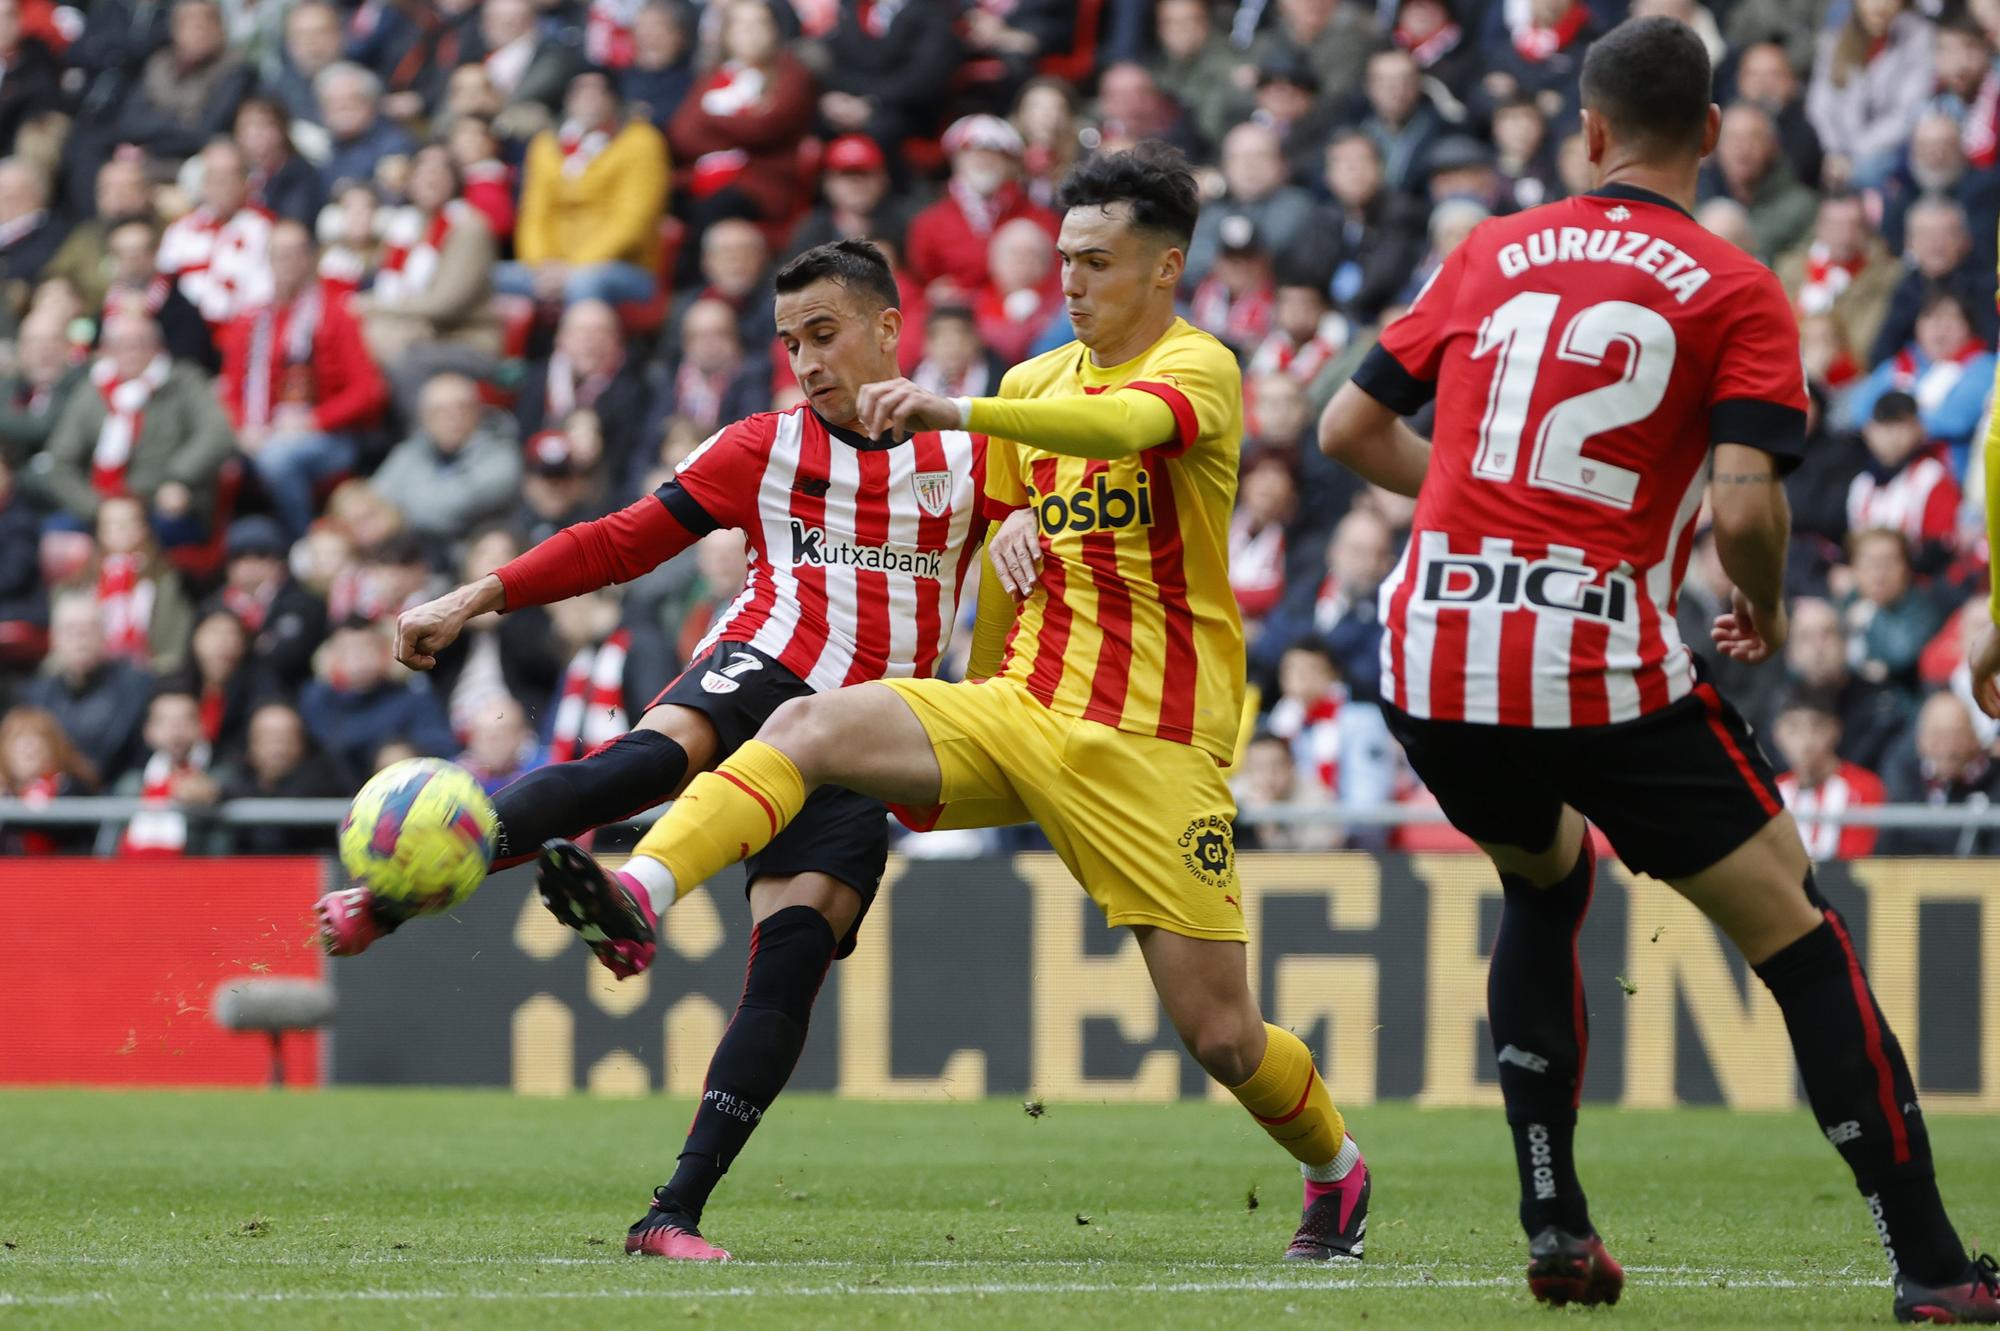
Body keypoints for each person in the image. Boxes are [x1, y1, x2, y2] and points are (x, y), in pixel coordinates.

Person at [539, 148, 1372, 1268]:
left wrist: (952, 407)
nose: (1071, 281)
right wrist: (1000, 578)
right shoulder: (1029, 390)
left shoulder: (1199, 366)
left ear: (1165, 267)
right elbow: (1001, 521)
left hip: (1148, 745)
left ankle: (1333, 1165)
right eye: (1064, 258)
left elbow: (1127, 431)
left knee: (1220, 1035)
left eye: (1097, 260)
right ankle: (638, 889)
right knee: (809, 724)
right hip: (1018, 703)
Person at [1316, 17, 1994, 1320]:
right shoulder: (1736, 284)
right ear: (1711, 135)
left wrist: (1474, 507)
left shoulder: (1491, 246)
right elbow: (1742, 507)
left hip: (1430, 644)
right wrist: (1764, 600)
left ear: (1587, 130)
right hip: (1585, 651)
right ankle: (1932, 1264)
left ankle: (1555, 1217)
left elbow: (1351, 426)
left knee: (1543, 874)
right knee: (1797, 930)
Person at [317, 240, 992, 1263]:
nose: (806, 361)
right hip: (766, 661)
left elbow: (1068, 518)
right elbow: (615, 540)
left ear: (888, 328)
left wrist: (1030, 531)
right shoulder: (761, 445)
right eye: (789, 342)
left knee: (791, 961)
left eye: (825, 333)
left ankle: (668, 1214)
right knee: (637, 765)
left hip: (874, 727)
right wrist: (472, 597)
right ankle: (392, 898)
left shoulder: (974, 457)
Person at [216, 219, 388, 537]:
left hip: (330, 434)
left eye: (295, 253)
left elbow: (368, 391)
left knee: (278, 459)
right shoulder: (251, 320)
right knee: (213, 455)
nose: (288, 262)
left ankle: (303, 541)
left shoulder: (335, 314)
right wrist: (242, 430)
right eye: (279, 254)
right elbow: (229, 390)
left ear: (310, 258)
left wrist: (313, 421)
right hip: (261, 431)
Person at [503, 69, 670, 309]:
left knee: (584, 284)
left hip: (622, 268)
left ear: (614, 98)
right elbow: (534, 213)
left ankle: (574, 347)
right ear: (567, 98)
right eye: (580, 90)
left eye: (598, 90)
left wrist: (575, 267)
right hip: (548, 269)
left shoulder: (642, 142)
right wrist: (541, 265)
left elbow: (634, 220)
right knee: (485, 278)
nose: (588, 98)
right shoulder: (546, 145)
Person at [1772, 692, 1884, 861]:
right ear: (1777, 733)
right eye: (1793, 728)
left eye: (1816, 727)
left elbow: (1853, 863)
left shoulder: (1864, 787)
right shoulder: (1771, 792)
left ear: (1835, 730)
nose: (1805, 741)